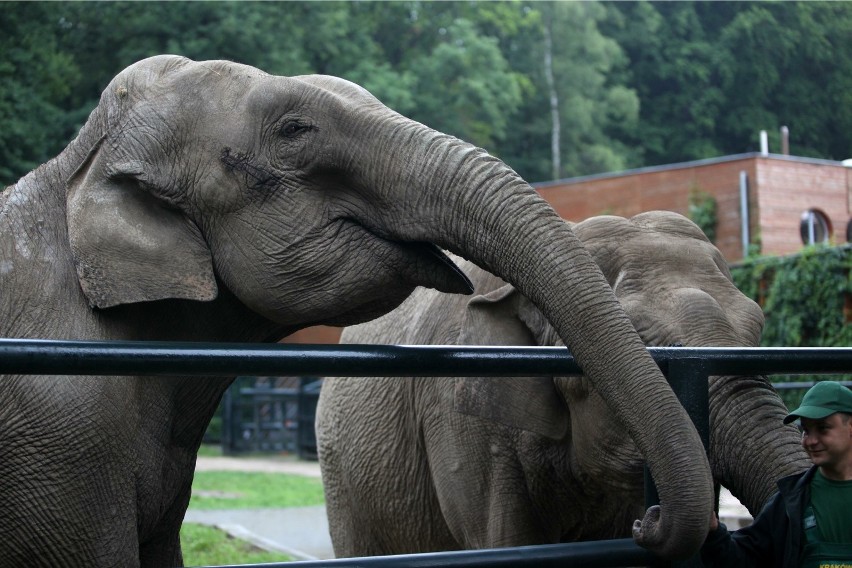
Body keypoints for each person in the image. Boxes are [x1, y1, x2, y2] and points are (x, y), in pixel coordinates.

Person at [701, 380, 852, 568]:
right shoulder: (790, 502)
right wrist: (714, 532)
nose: (810, 441)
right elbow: (745, 558)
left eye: (823, 429)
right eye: (805, 430)